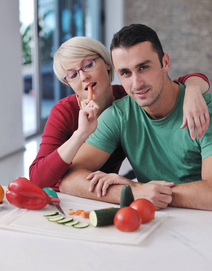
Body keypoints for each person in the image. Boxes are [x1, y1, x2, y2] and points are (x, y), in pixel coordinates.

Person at [59, 25, 212, 211]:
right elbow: (69, 179)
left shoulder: (204, 109)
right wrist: (134, 193)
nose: (137, 83)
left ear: (165, 62)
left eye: (144, 67)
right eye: (125, 73)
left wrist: (135, 188)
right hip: (154, 220)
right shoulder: (119, 114)